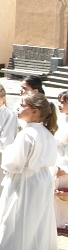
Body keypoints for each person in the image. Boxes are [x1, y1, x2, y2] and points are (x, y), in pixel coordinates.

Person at [0, 92, 59, 250]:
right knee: (34, 221)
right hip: (42, 181)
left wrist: (8, 154)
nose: (18, 107)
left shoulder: (27, 134)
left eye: (22, 105)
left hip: (25, 182)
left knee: (14, 219)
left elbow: (15, 163)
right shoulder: (47, 133)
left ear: (35, 111)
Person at [55, 90, 68, 228]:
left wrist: (65, 167)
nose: (59, 105)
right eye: (59, 101)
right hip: (57, 156)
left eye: (63, 102)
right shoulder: (60, 118)